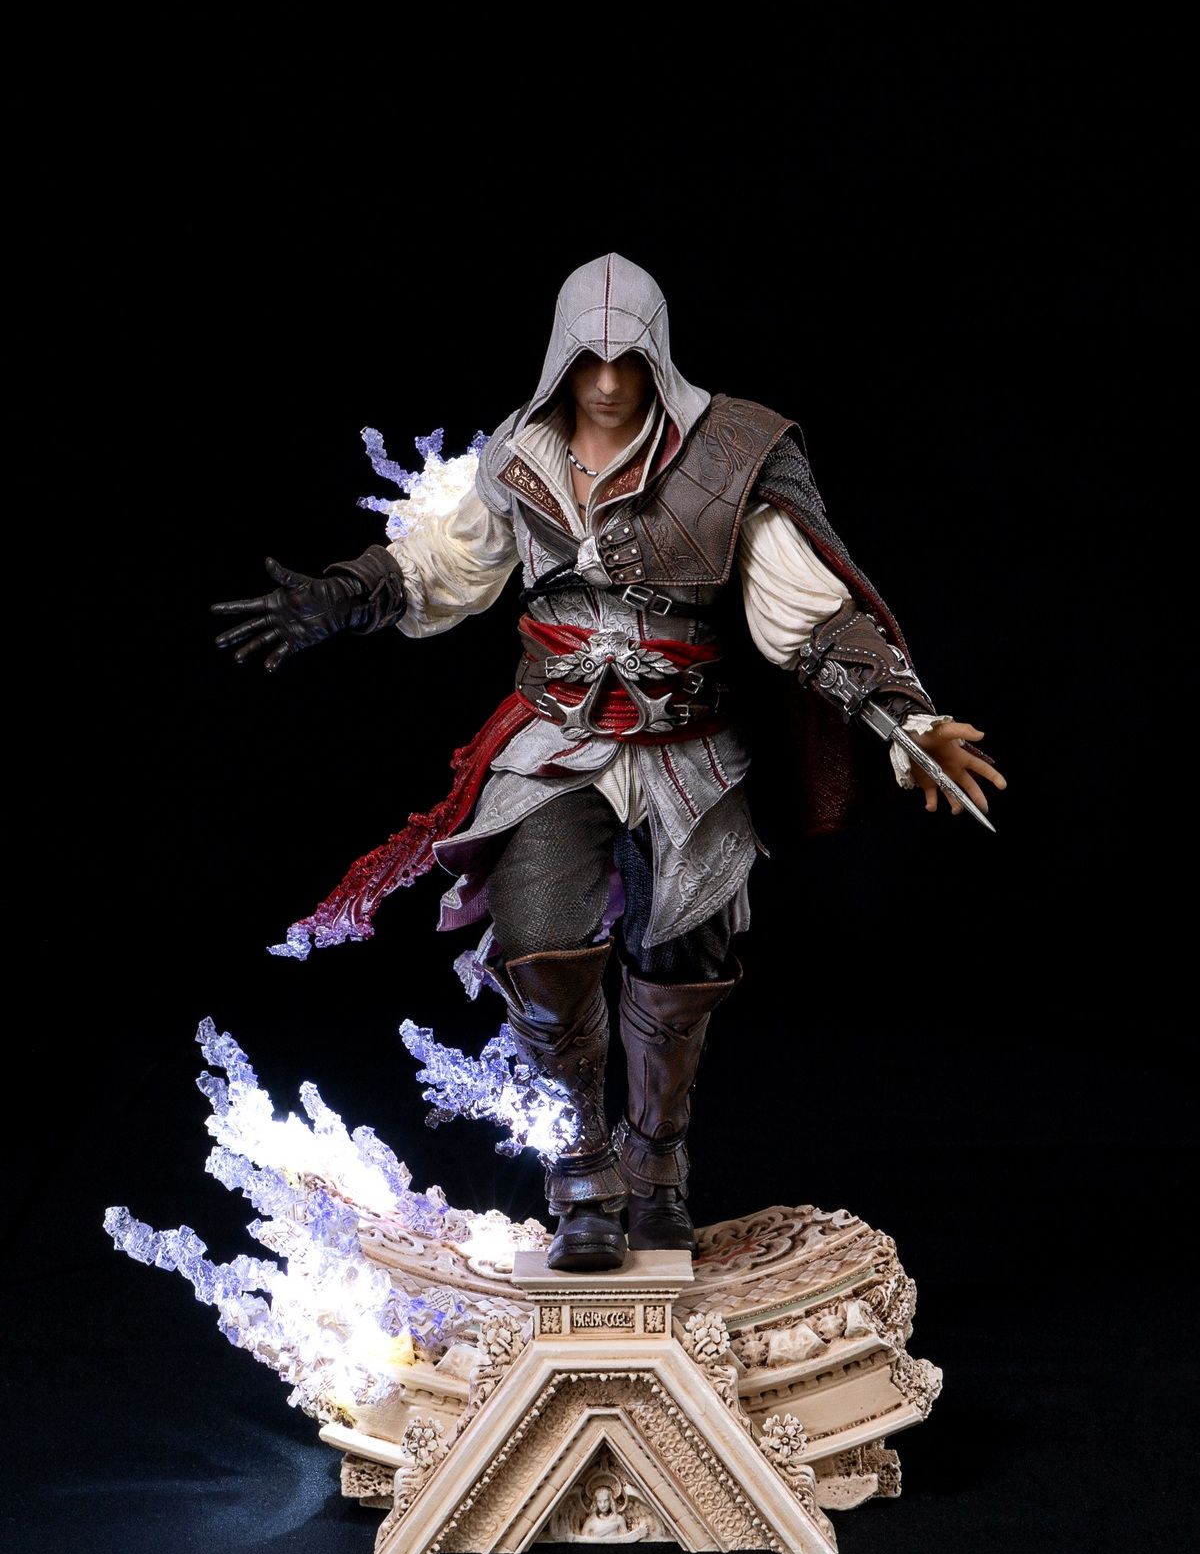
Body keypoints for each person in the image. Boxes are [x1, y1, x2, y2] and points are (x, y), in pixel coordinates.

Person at [213, 254, 1005, 1274]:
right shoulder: (520, 452)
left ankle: (657, 1168)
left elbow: (806, 610)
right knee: (538, 943)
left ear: (656, 356)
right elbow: (445, 561)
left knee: (684, 968)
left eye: (626, 358)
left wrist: (906, 719)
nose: (605, 380)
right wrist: (348, 593)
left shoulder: (732, 453)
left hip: (693, 753)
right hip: (559, 742)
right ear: (560, 358)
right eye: (586, 359)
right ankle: (583, 1180)